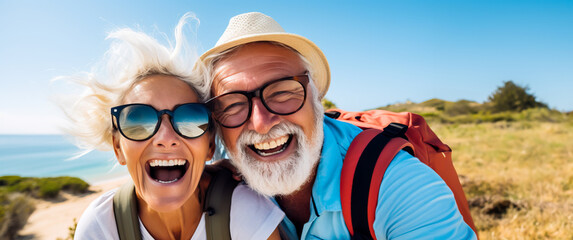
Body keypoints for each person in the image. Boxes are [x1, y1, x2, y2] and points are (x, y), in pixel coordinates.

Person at [199, 12, 477, 239]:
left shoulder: (400, 186)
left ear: (316, 98)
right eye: (233, 105)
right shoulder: (220, 176)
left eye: (282, 93)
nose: (260, 124)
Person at [60, 14, 284, 240]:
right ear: (118, 147)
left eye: (190, 118)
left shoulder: (245, 214)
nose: (166, 138)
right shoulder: (100, 228)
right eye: (138, 121)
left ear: (209, 146)